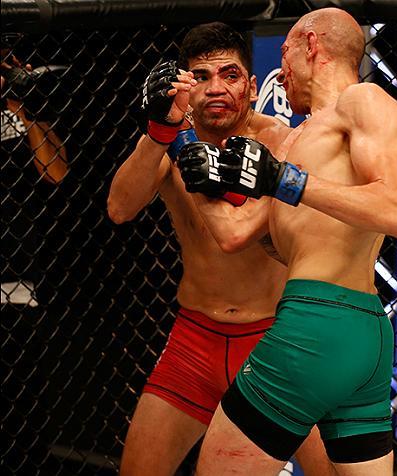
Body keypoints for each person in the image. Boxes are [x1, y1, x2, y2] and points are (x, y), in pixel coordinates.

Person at [178, 8, 397, 475]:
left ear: (311, 47)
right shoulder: (293, 140)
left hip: (315, 325)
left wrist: (287, 182)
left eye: (284, 54)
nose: (279, 73)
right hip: (358, 337)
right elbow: (235, 234)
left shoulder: (362, 100)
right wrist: (195, 167)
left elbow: (396, 211)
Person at [107, 23, 332, 476]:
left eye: (229, 75)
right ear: (185, 88)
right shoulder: (166, 140)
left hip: (275, 341)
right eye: (202, 77)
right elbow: (119, 208)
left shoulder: (280, 141)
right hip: (194, 341)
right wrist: (158, 133)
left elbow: (236, 237)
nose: (217, 88)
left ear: (251, 87)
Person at [1, 45, 69, 469]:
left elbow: (56, 171)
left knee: (20, 418)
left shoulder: (18, 105)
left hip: (15, 284)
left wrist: (25, 107)